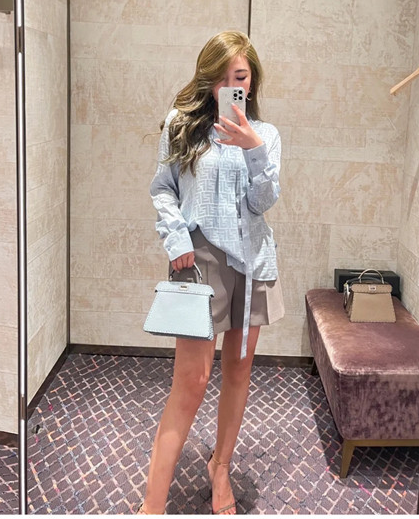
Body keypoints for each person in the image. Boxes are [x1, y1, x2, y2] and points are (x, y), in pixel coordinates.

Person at [138, 31, 284, 515]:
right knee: (193, 380)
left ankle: (220, 467)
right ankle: (152, 504)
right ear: (206, 80)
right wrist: (176, 238)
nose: (230, 87)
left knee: (239, 369)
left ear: (252, 79)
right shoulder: (181, 124)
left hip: (253, 261)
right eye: (220, 78)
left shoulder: (266, 135)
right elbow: (163, 187)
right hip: (199, 258)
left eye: (239, 77)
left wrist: (252, 148)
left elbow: (262, 203)